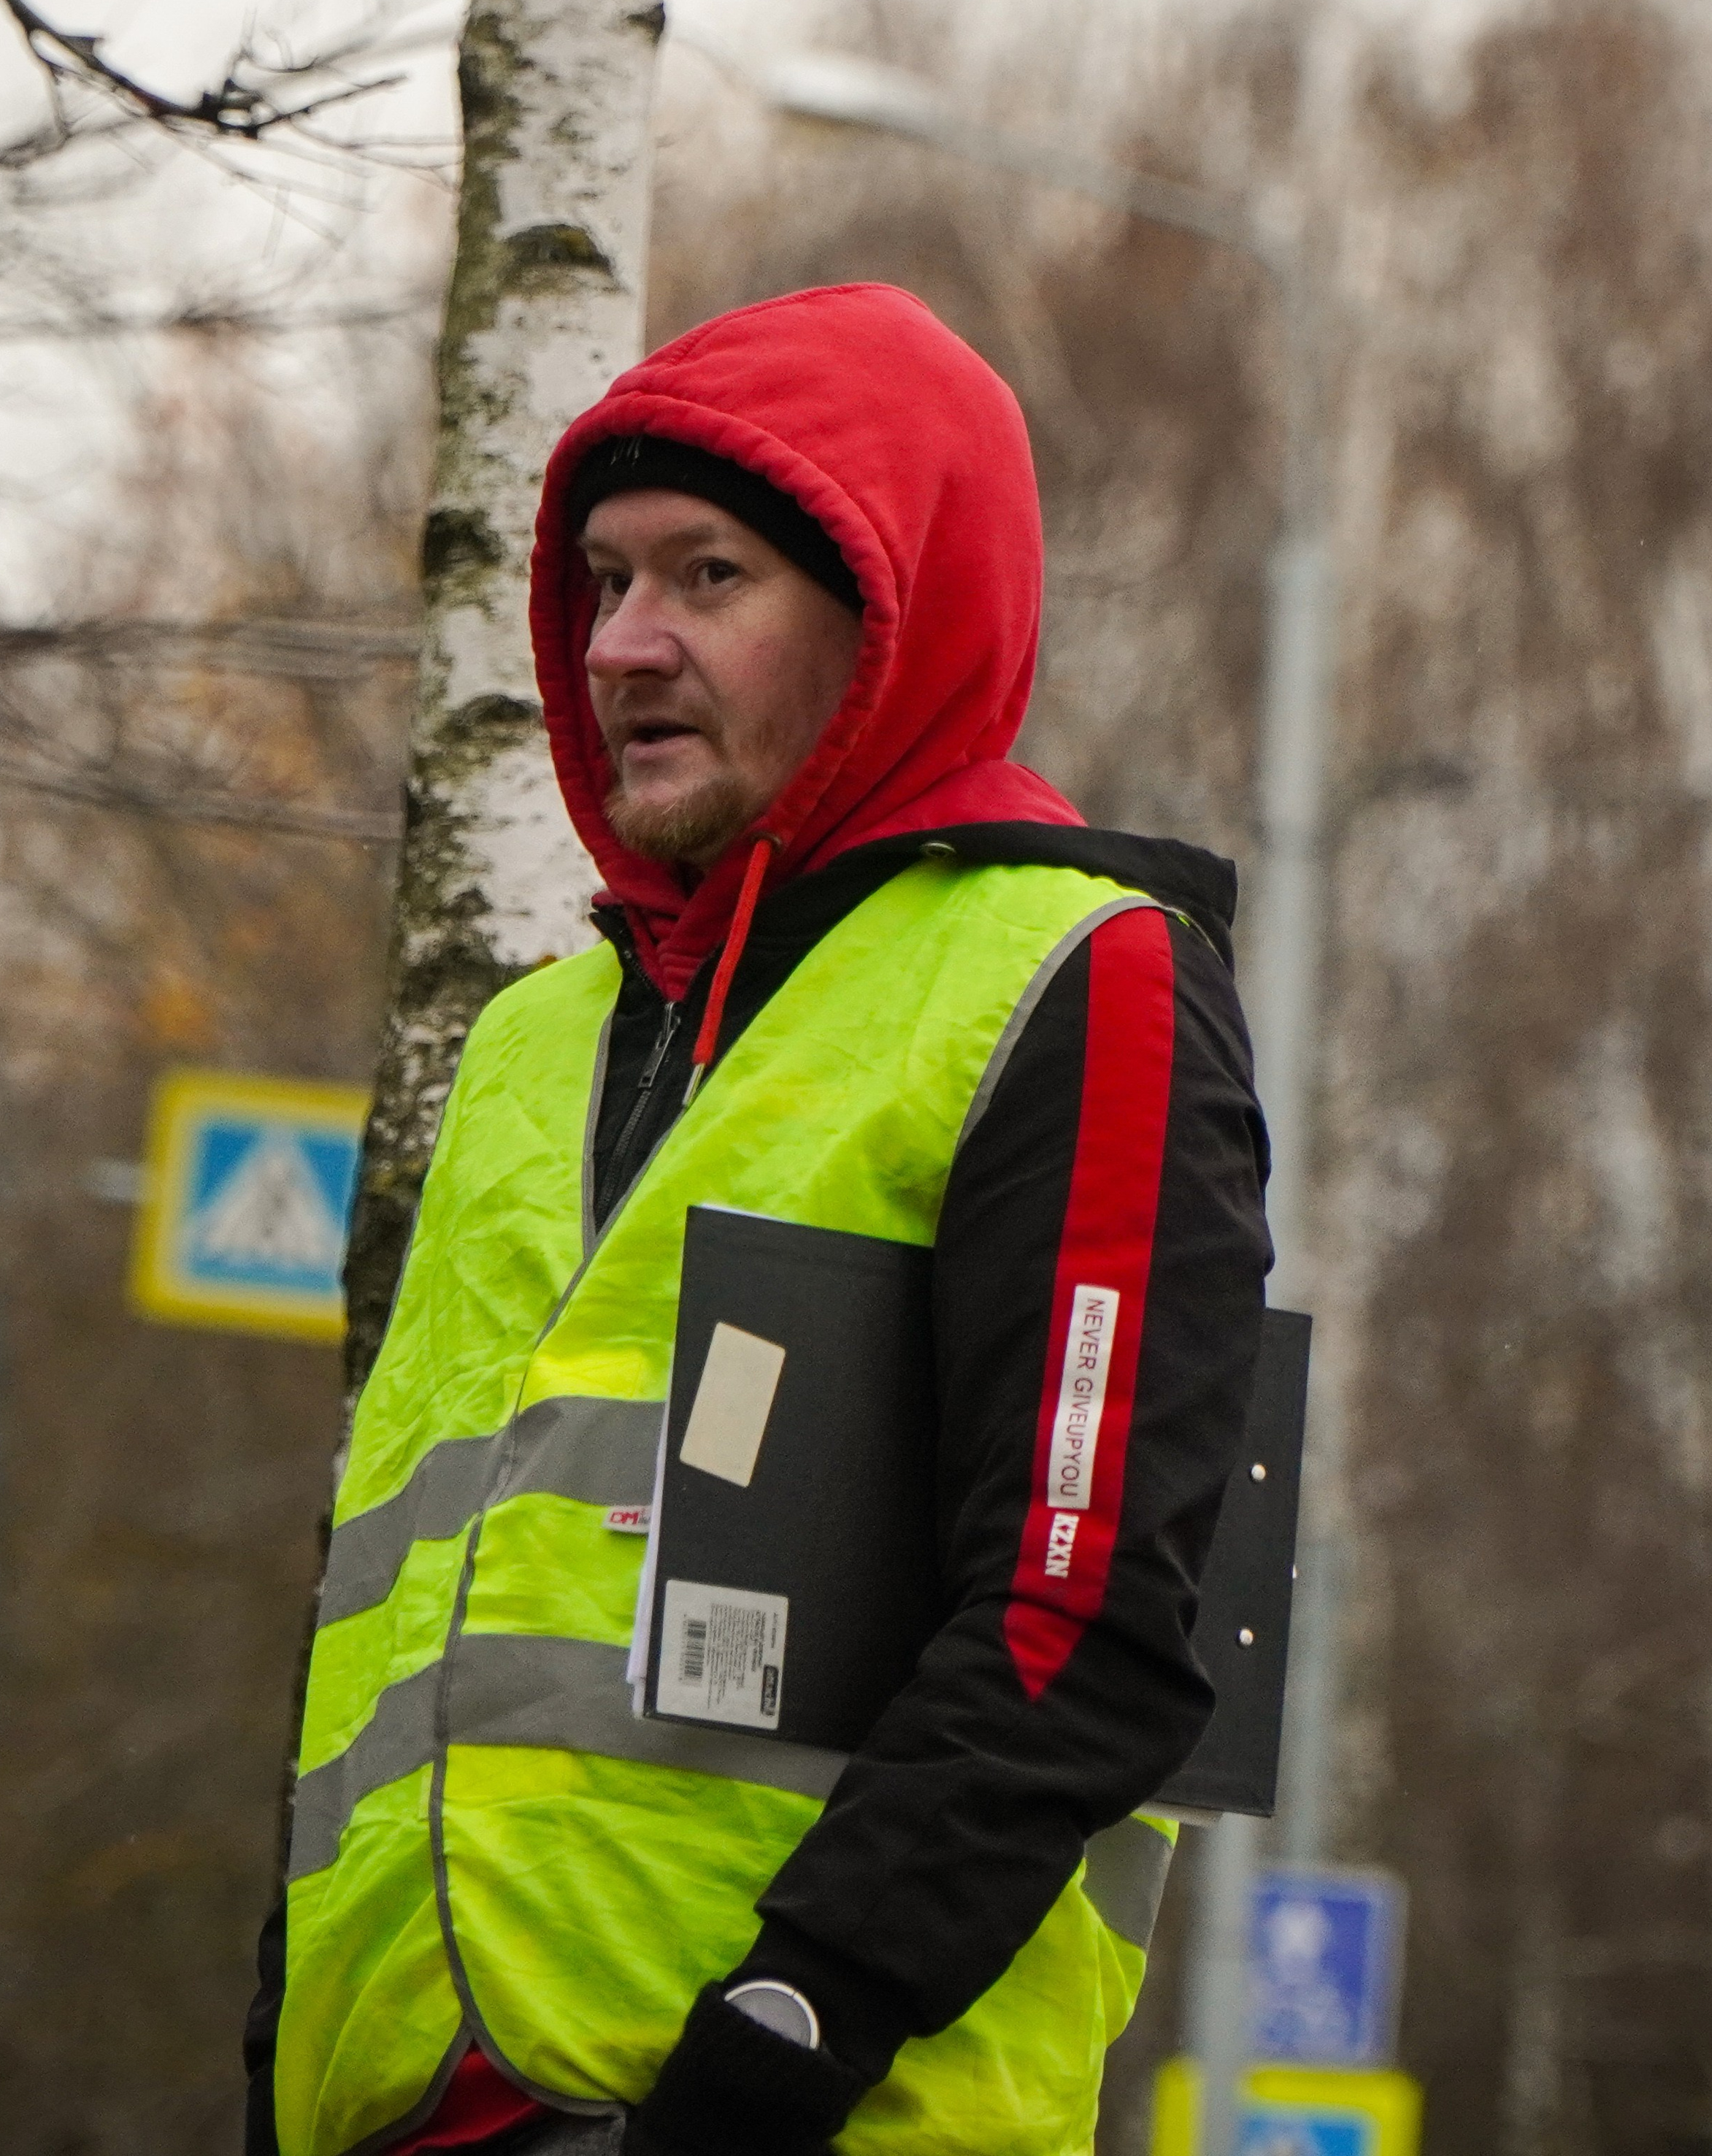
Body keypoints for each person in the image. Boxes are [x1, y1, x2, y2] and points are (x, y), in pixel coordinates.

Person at [248, 281, 1270, 2156]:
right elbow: (381, 1634)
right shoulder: (531, 1040)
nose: (623, 641)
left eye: (706, 577)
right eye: (601, 582)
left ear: (889, 618)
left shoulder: (1077, 973)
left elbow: (1082, 1617)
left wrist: (782, 2043)